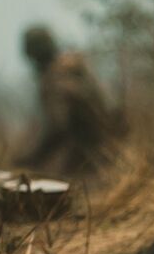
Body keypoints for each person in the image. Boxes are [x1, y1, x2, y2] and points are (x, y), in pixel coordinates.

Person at [17, 25, 115, 178]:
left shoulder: (55, 78)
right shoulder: (75, 66)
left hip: (88, 153)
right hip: (106, 147)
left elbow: (58, 127)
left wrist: (33, 158)